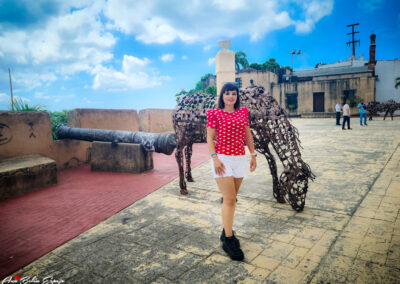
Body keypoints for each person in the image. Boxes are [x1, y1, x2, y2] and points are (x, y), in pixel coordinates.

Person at [206, 82, 257, 261]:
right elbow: (210, 137)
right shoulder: (214, 113)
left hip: (239, 159)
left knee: (232, 199)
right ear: (222, 96)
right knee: (229, 199)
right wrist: (215, 158)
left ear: (237, 96)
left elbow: (247, 135)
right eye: (227, 93)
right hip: (222, 160)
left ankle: (226, 230)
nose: (230, 96)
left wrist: (253, 155)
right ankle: (228, 239)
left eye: (233, 93)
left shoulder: (243, 113)